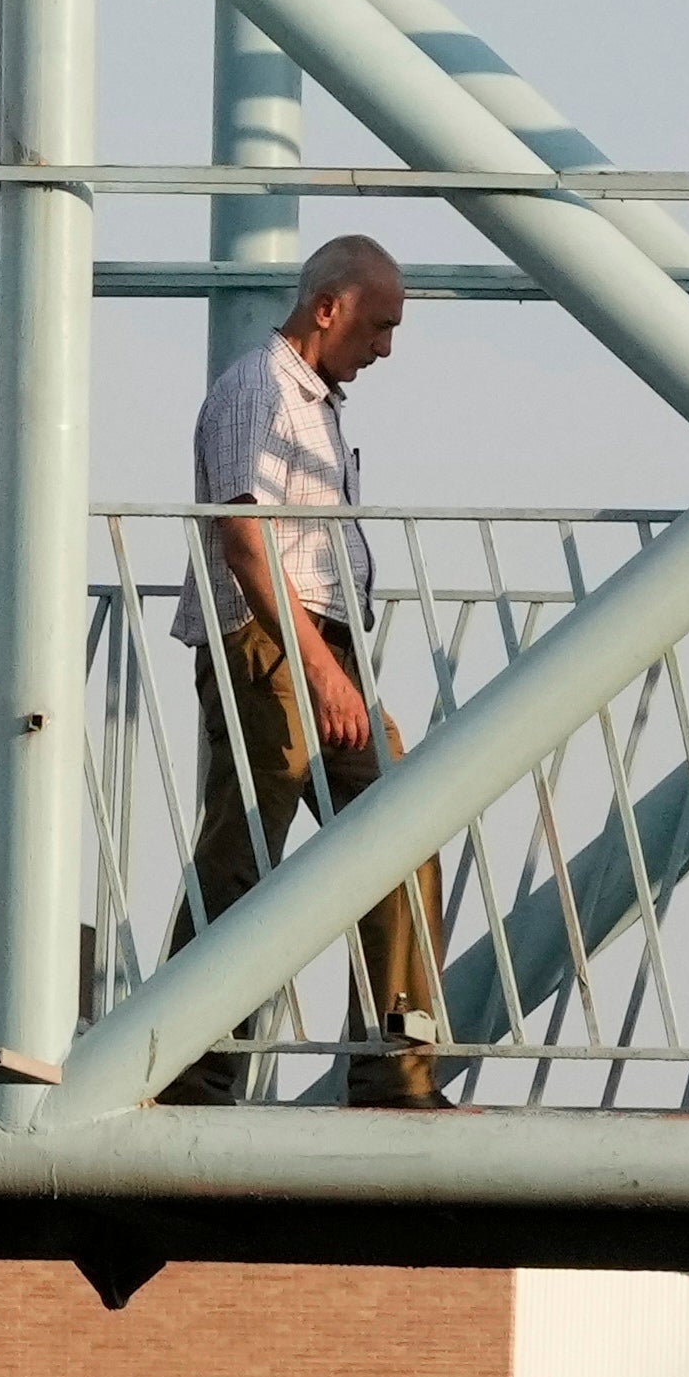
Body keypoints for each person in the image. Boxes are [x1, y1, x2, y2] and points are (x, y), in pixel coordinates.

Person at [163, 235, 443, 1107]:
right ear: (329, 308)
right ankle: (186, 1062)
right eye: (381, 325)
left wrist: (332, 663)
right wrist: (320, 670)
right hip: (270, 640)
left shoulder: (316, 401)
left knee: (402, 819)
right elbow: (244, 541)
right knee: (246, 846)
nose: (388, 347)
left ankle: (393, 1061)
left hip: (319, 644)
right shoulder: (260, 389)